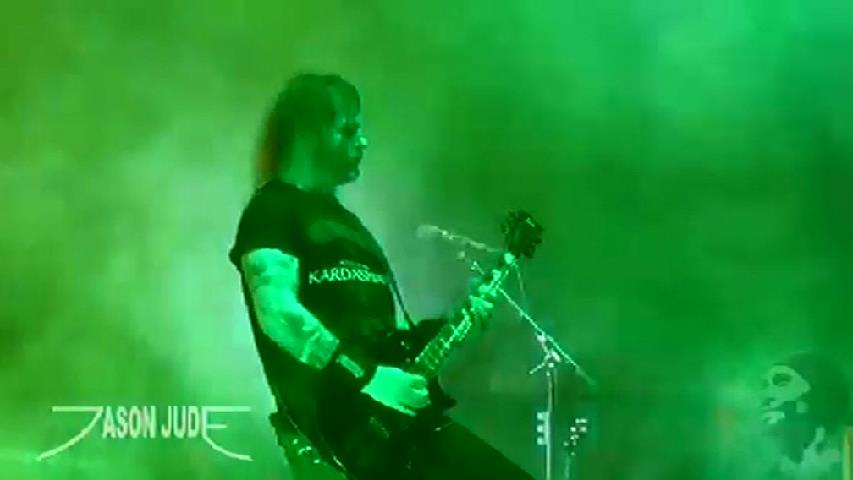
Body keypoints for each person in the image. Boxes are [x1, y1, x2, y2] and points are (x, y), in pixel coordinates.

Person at [228, 73, 534, 480]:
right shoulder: (272, 210)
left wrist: (459, 324)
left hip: (403, 427)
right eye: (348, 129)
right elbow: (278, 314)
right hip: (344, 437)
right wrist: (369, 377)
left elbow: (393, 336)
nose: (364, 141)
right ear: (309, 134)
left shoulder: (352, 227)